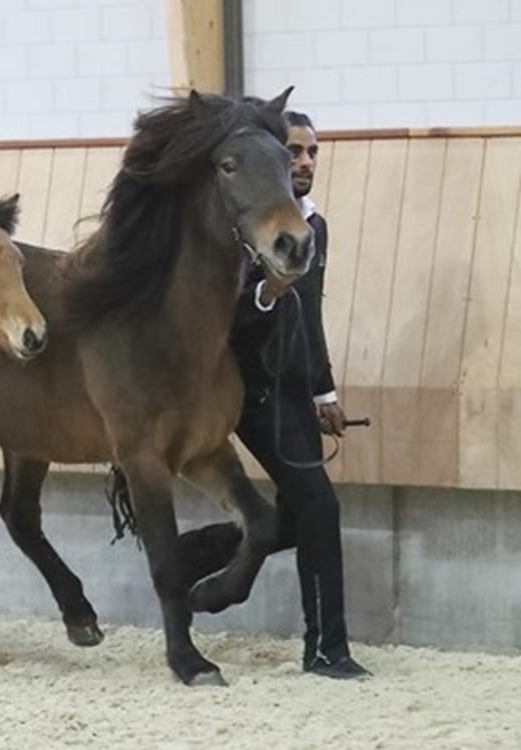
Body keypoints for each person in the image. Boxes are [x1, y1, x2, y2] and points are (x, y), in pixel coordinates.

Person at [229, 109, 370, 679]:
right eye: (294, 152)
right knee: (319, 506)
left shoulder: (316, 225)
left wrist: (323, 392)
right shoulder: (245, 228)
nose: (305, 162)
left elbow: (311, 315)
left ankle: (192, 562)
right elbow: (226, 322)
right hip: (252, 389)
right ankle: (325, 650)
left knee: (294, 519)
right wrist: (266, 290)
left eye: (312, 152)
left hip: (294, 390)